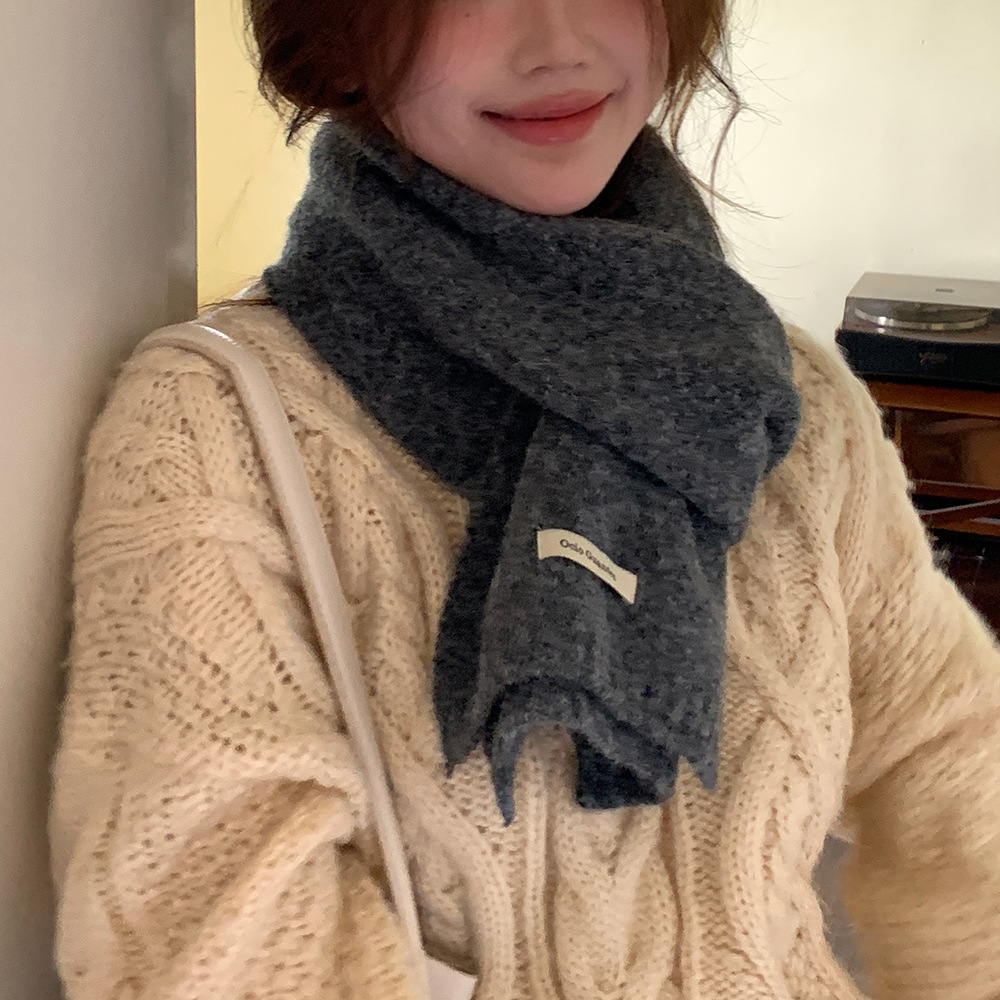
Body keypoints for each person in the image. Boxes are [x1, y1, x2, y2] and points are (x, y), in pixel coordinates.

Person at [49, 0, 1000, 998]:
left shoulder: (785, 402)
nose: (557, 44)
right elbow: (213, 943)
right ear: (339, 37)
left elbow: (953, 755)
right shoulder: (217, 429)